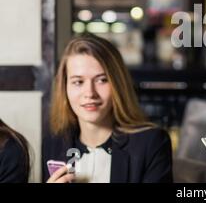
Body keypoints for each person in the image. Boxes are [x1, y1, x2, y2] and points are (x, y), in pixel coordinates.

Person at [43, 34, 173, 183]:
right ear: (65, 88)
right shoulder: (52, 144)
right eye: (78, 82)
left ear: (118, 84)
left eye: (101, 80)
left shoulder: (151, 143)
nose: (90, 93)